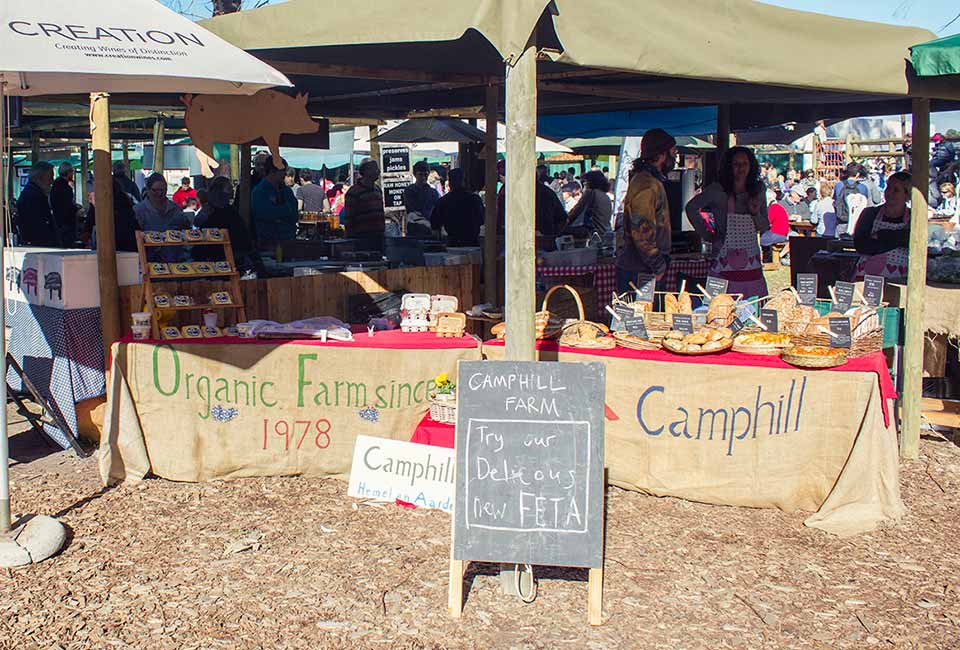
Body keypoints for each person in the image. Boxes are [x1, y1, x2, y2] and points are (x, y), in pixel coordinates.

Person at [685, 145, 770, 298]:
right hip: (722, 264)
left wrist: (755, 213)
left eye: (745, 164)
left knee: (752, 309)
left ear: (751, 166)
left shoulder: (758, 190)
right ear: (728, 167)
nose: (741, 169)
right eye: (736, 164)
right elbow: (691, 207)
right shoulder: (717, 190)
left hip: (751, 267)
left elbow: (764, 226)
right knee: (718, 307)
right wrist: (707, 234)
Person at [616, 128, 676, 293]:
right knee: (640, 317)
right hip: (640, 269)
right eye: (673, 152)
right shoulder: (646, 184)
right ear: (662, 155)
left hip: (643, 266)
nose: (675, 158)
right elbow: (641, 230)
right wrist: (658, 265)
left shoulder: (649, 181)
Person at [193, 176, 263, 273]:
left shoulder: (226, 210)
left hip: (227, 256)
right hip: (216, 256)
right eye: (229, 189)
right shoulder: (212, 210)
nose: (232, 192)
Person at [853, 171, 912, 281]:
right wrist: (898, 239)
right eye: (888, 188)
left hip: (901, 277)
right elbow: (861, 245)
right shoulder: (869, 213)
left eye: (896, 190)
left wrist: (881, 235)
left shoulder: (913, 217)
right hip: (868, 275)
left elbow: (912, 242)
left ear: (907, 194)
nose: (889, 193)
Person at [135, 173, 189, 260]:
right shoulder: (138, 211)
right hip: (149, 263)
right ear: (148, 190)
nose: (159, 193)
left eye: (162, 190)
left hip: (174, 264)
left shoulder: (176, 209)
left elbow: (186, 232)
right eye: (155, 190)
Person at [431, 168, 484, 246]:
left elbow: (435, 224)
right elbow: (481, 220)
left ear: (449, 183)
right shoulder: (475, 199)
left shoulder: (443, 201)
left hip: (453, 244)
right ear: (464, 181)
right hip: (472, 244)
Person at [341, 159, 386, 250]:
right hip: (361, 238)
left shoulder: (377, 190)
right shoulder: (354, 192)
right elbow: (349, 218)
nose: (378, 171)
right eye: (375, 169)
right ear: (366, 171)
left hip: (378, 237)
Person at [86, 177, 140, 253]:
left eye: (90, 196)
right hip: (128, 253)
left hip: (123, 253)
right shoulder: (124, 202)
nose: (90, 200)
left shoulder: (120, 211)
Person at [15, 162, 61, 247]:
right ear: (39, 178)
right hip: (39, 245)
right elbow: (38, 226)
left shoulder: (32, 193)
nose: (52, 181)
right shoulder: (34, 196)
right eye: (50, 178)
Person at [564, 170, 612, 237]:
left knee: (560, 230)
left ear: (591, 182)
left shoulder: (591, 193)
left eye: (585, 182)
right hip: (605, 231)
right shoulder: (605, 196)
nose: (585, 184)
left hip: (592, 231)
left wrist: (565, 221)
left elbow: (577, 210)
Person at [833, 162, 870, 237]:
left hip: (842, 219)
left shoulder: (839, 185)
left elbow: (836, 200)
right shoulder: (863, 187)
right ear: (858, 174)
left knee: (839, 245)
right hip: (857, 221)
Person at [51, 162, 79, 246]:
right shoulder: (64, 187)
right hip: (66, 223)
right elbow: (67, 206)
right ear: (68, 172)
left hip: (58, 221)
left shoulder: (56, 185)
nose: (73, 174)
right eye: (72, 172)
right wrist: (76, 209)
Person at [403, 161, 440, 225]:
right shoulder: (409, 190)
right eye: (420, 174)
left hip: (430, 228)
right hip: (415, 227)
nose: (423, 177)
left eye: (425, 174)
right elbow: (413, 209)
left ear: (428, 174)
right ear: (415, 175)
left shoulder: (433, 192)